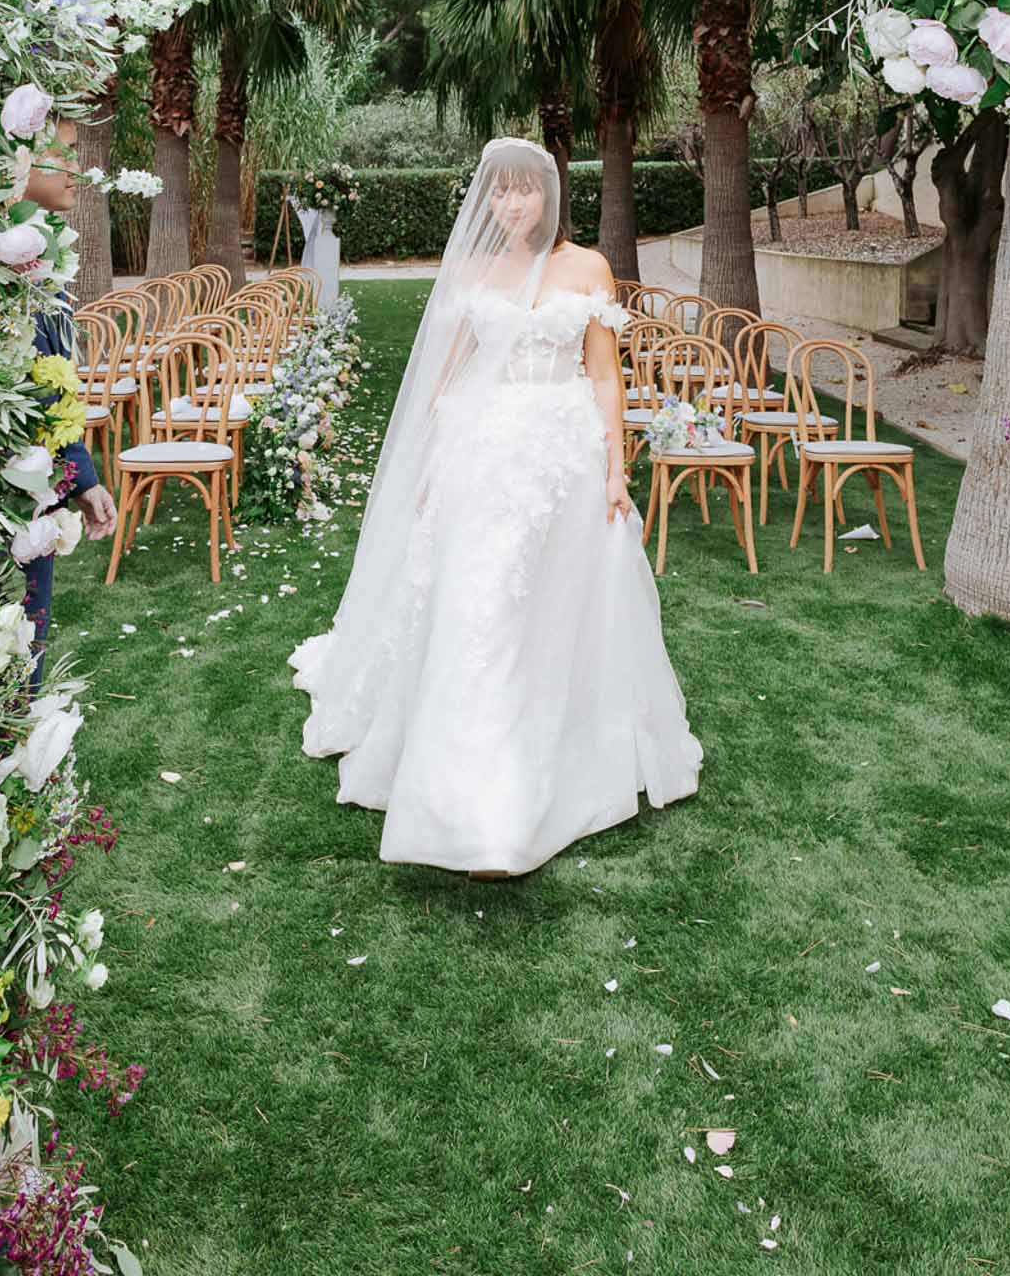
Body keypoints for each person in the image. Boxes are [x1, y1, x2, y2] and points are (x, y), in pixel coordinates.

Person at [290, 136, 702, 878]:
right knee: (481, 605)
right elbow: (446, 377)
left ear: (550, 196)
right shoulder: (474, 270)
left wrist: (615, 466)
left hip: (565, 456)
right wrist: (427, 467)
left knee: (556, 604)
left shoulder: (587, 268)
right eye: (501, 193)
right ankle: (474, 798)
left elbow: (606, 376)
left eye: (526, 191)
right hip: (482, 456)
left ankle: (559, 747)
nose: (513, 205)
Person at [21, 119, 118, 689]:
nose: (78, 169)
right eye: (65, 153)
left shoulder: (42, 251)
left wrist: (81, 478)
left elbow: (55, 387)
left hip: (39, 490)